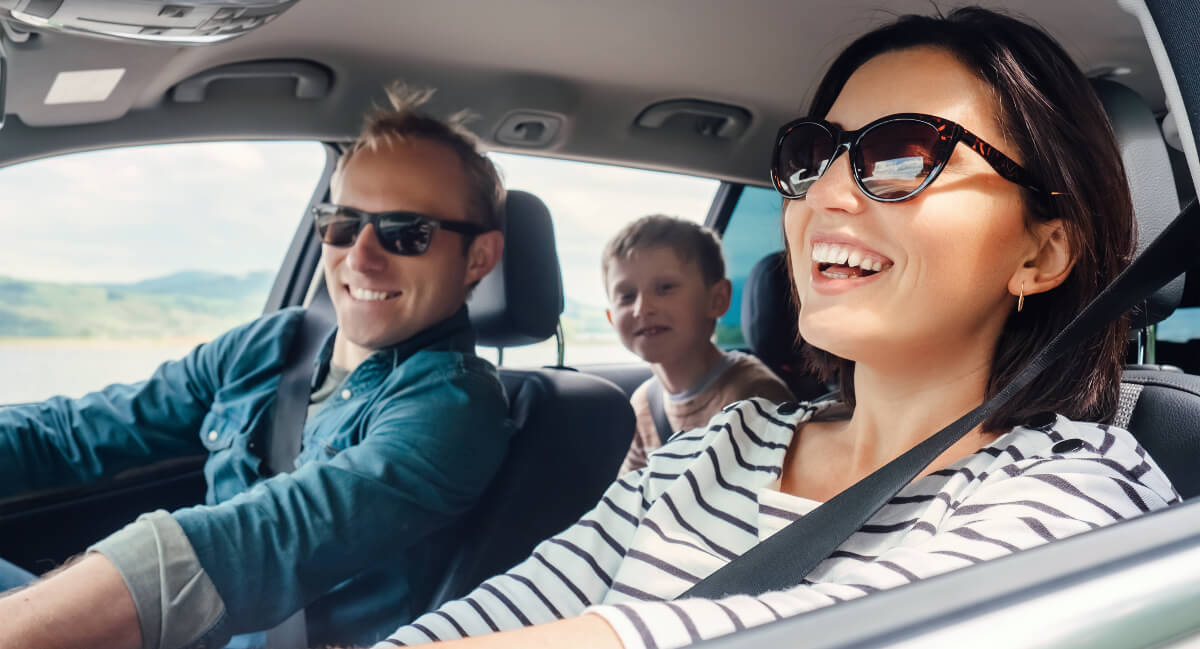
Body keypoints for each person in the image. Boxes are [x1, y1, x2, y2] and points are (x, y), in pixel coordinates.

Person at [372, 8, 1181, 649]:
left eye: (903, 155)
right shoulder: (712, 449)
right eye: (814, 153)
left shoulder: (1082, 483)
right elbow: (500, 612)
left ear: (1042, 252)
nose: (824, 194)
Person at [0, 85, 513, 649]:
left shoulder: (454, 408)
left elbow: (267, 539)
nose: (360, 256)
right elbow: (76, 432)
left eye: (405, 233)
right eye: (341, 224)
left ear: (480, 257)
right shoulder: (271, 346)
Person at [602, 215, 794, 474]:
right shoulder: (644, 403)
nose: (642, 308)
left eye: (665, 288)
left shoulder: (754, 396)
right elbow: (629, 497)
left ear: (717, 300)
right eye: (626, 296)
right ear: (611, 318)